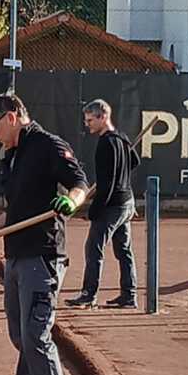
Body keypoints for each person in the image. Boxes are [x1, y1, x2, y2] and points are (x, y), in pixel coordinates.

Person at [0, 93, 89, 375]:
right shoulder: (10, 156)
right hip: (16, 255)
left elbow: (80, 183)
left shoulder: (47, 145)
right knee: (18, 334)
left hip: (43, 255)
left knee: (35, 334)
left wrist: (70, 201)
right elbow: (16, 210)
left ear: (11, 116)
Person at [66, 99, 140, 309]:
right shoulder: (122, 138)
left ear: (103, 117)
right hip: (127, 202)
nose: (87, 124)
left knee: (94, 248)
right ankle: (129, 294)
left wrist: (94, 211)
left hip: (114, 205)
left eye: (90, 120)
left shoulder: (106, 143)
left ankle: (89, 295)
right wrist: (123, 172)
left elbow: (106, 184)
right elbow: (135, 161)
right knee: (123, 249)